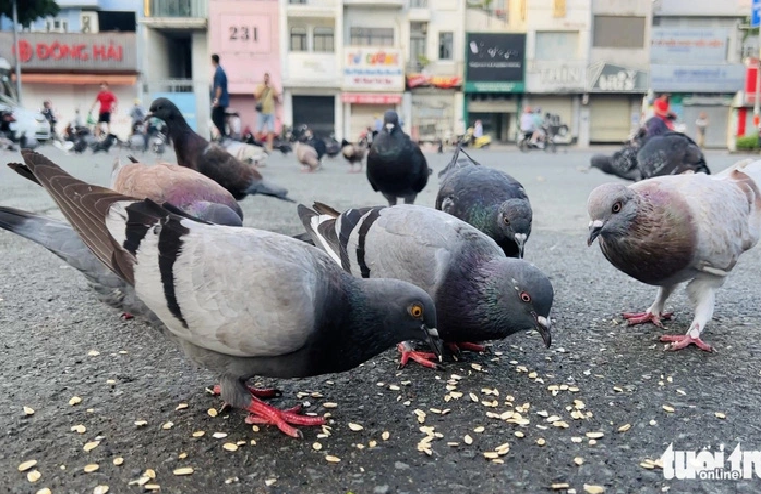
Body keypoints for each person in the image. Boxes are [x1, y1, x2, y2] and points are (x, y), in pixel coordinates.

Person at [254, 72, 279, 152]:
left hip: (270, 111)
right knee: (259, 129)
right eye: (265, 77)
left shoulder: (271, 87)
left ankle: (270, 147)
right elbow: (256, 96)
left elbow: (276, 95)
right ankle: (258, 146)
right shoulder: (259, 86)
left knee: (270, 130)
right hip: (261, 111)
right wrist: (264, 88)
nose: (266, 79)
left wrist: (272, 87)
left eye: (267, 77)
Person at [211, 53, 229, 141]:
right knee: (221, 119)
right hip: (223, 100)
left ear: (213, 61)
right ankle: (223, 135)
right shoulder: (222, 71)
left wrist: (216, 99)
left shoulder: (218, 72)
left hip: (220, 101)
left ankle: (223, 136)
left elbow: (219, 87)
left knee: (215, 117)